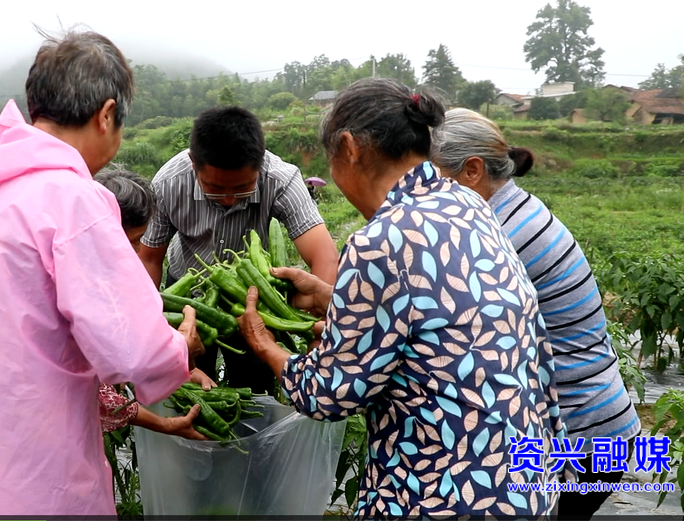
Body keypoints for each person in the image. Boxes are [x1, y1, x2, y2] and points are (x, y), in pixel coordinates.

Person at [238, 78, 572, 518]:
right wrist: (336, 299)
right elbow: (434, 321)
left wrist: (265, 345)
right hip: (523, 482)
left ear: (349, 147)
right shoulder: (469, 205)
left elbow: (328, 394)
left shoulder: (380, 240)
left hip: (446, 493)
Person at [0, 30, 203, 515]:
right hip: (41, 467)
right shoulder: (72, 198)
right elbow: (136, 350)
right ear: (105, 115)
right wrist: (181, 343)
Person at [430, 108, 641, 519]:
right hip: (596, 423)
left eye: (431, 174)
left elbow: (440, 322)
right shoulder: (510, 212)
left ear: (472, 170)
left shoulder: (501, 234)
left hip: (582, 434)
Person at [138, 106, 339, 393]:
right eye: (216, 188)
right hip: (188, 295)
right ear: (194, 163)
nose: (230, 200)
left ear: (260, 162)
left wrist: (319, 334)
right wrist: (152, 329)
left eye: (243, 188)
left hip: (254, 298)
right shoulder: (169, 183)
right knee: (190, 382)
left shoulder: (281, 179)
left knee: (254, 383)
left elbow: (324, 255)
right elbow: (149, 259)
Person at [94, 165, 216, 438]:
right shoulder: (76, 292)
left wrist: (176, 367)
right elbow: (92, 388)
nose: (136, 254)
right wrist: (177, 353)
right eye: (132, 241)